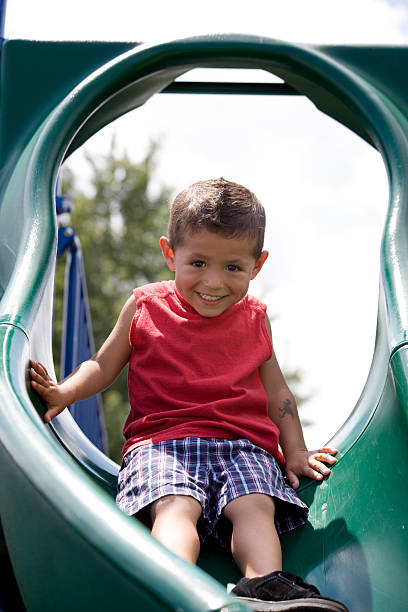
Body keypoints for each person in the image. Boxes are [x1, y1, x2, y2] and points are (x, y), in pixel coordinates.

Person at [30, 178, 348, 612]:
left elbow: (278, 394)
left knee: (254, 503)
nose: (214, 282)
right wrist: (63, 392)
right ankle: (173, 587)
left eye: (233, 268)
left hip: (243, 446)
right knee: (176, 505)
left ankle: (264, 589)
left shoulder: (254, 318)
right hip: (162, 444)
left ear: (257, 266)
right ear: (169, 254)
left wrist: (295, 452)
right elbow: (102, 366)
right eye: (198, 262)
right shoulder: (145, 306)